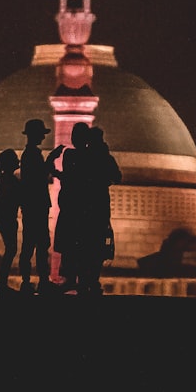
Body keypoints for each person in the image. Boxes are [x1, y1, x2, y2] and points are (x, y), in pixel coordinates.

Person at [78, 125, 122, 296]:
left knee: (83, 243)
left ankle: (83, 281)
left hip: (84, 206)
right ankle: (93, 281)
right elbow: (117, 177)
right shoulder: (106, 158)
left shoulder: (84, 157)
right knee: (97, 245)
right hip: (100, 205)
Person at [18, 118, 59, 295]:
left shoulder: (31, 154)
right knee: (37, 246)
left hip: (32, 206)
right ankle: (33, 282)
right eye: (41, 134)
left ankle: (36, 281)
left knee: (36, 245)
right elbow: (39, 177)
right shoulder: (31, 155)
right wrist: (51, 159)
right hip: (36, 205)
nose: (43, 137)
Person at [50, 121, 90, 292]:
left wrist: (52, 164)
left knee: (69, 245)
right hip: (83, 207)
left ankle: (70, 278)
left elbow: (67, 176)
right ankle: (83, 280)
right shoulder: (91, 156)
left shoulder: (70, 155)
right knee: (81, 244)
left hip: (71, 207)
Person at [0, 148, 21, 296]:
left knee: (10, 250)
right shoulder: (8, 180)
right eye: (15, 159)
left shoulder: (4, 178)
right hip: (7, 218)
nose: (18, 161)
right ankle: (2, 285)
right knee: (11, 250)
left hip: (5, 218)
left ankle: (2, 284)